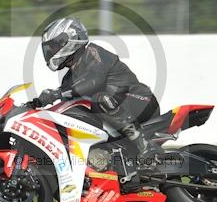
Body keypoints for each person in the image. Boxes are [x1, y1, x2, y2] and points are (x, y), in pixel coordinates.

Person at [36, 17, 162, 171]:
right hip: (115, 114)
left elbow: (93, 81)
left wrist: (57, 93)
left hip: (141, 101)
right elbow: (67, 101)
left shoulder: (94, 52)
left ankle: (146, 146)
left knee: (100, 98)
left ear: (69, 40)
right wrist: (39, 104)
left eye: (54, 46)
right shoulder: (68, 78)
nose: (50, 51)